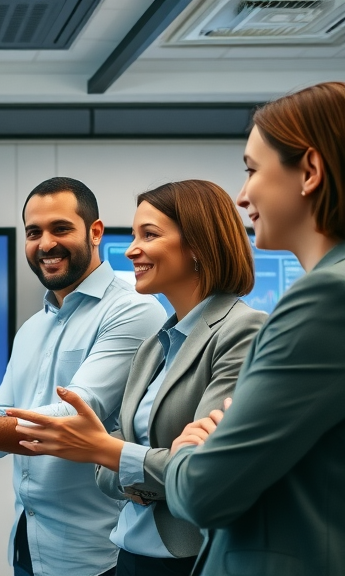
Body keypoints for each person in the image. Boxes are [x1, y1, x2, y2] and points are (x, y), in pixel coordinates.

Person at [0, 177, 167, 576]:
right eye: (34, 232)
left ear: (95, 232)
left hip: (95, 555)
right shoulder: (32, 328)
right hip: (29, 548)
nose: (45, 244)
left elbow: (72, 417)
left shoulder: (133, 311)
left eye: (60, 228)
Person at [5, 180, 266, 576]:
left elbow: (203, 473)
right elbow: (108, 478)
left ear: (198, 244)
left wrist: (108, 451)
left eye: (149, 234)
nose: (130, 250)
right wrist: (148, 465)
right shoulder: (155, 347)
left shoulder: (241, 330)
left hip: (191, 559)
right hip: (131, 555)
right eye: (133, 235)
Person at [164, 82, 345, 575]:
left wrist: (186, 452)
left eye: (252, 169)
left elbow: (204, 492)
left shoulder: (325, 298)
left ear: (309, 171)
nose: (242, 196)